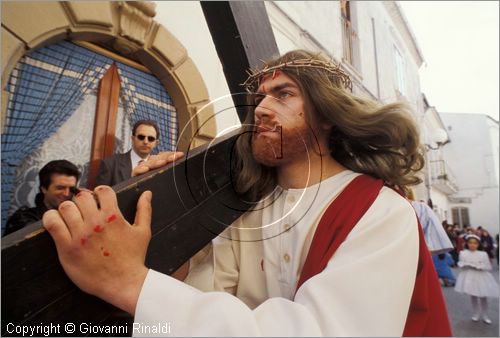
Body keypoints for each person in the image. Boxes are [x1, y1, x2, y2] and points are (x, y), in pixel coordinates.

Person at [42, 50, 451, 336]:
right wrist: (170, 211)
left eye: (284, 93)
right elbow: (207, 296)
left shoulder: (381, 213)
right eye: (258, 98)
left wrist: (129, 283)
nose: (260, 108)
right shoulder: (249, 207)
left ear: (327, 114)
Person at [3, 160, 80, 236]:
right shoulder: (24, 219)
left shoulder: (76, 217)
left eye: (72, 189)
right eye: (60, 188)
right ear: (44, 189)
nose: (67, 194)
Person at [95, 120, 160, 186]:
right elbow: (101, 194)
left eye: (151, 138)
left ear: (156, 143)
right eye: (141, 137)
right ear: (133, 139)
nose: (146, 142)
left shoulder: (159, 168)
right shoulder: (110, 164)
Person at [454, 234, 499, 324]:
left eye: (475, 243)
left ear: (478, 244)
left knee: (483, 296)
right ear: (467, 243)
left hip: (481, 276)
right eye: (470, 243)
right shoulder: (463, 253)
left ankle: (485, 315)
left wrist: (479, 266)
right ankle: (476, 313)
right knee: (473, 296)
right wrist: (467, 265)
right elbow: (461, 265)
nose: (472, 245)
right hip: (470, 277)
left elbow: (488, 266)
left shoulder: (483, 254)